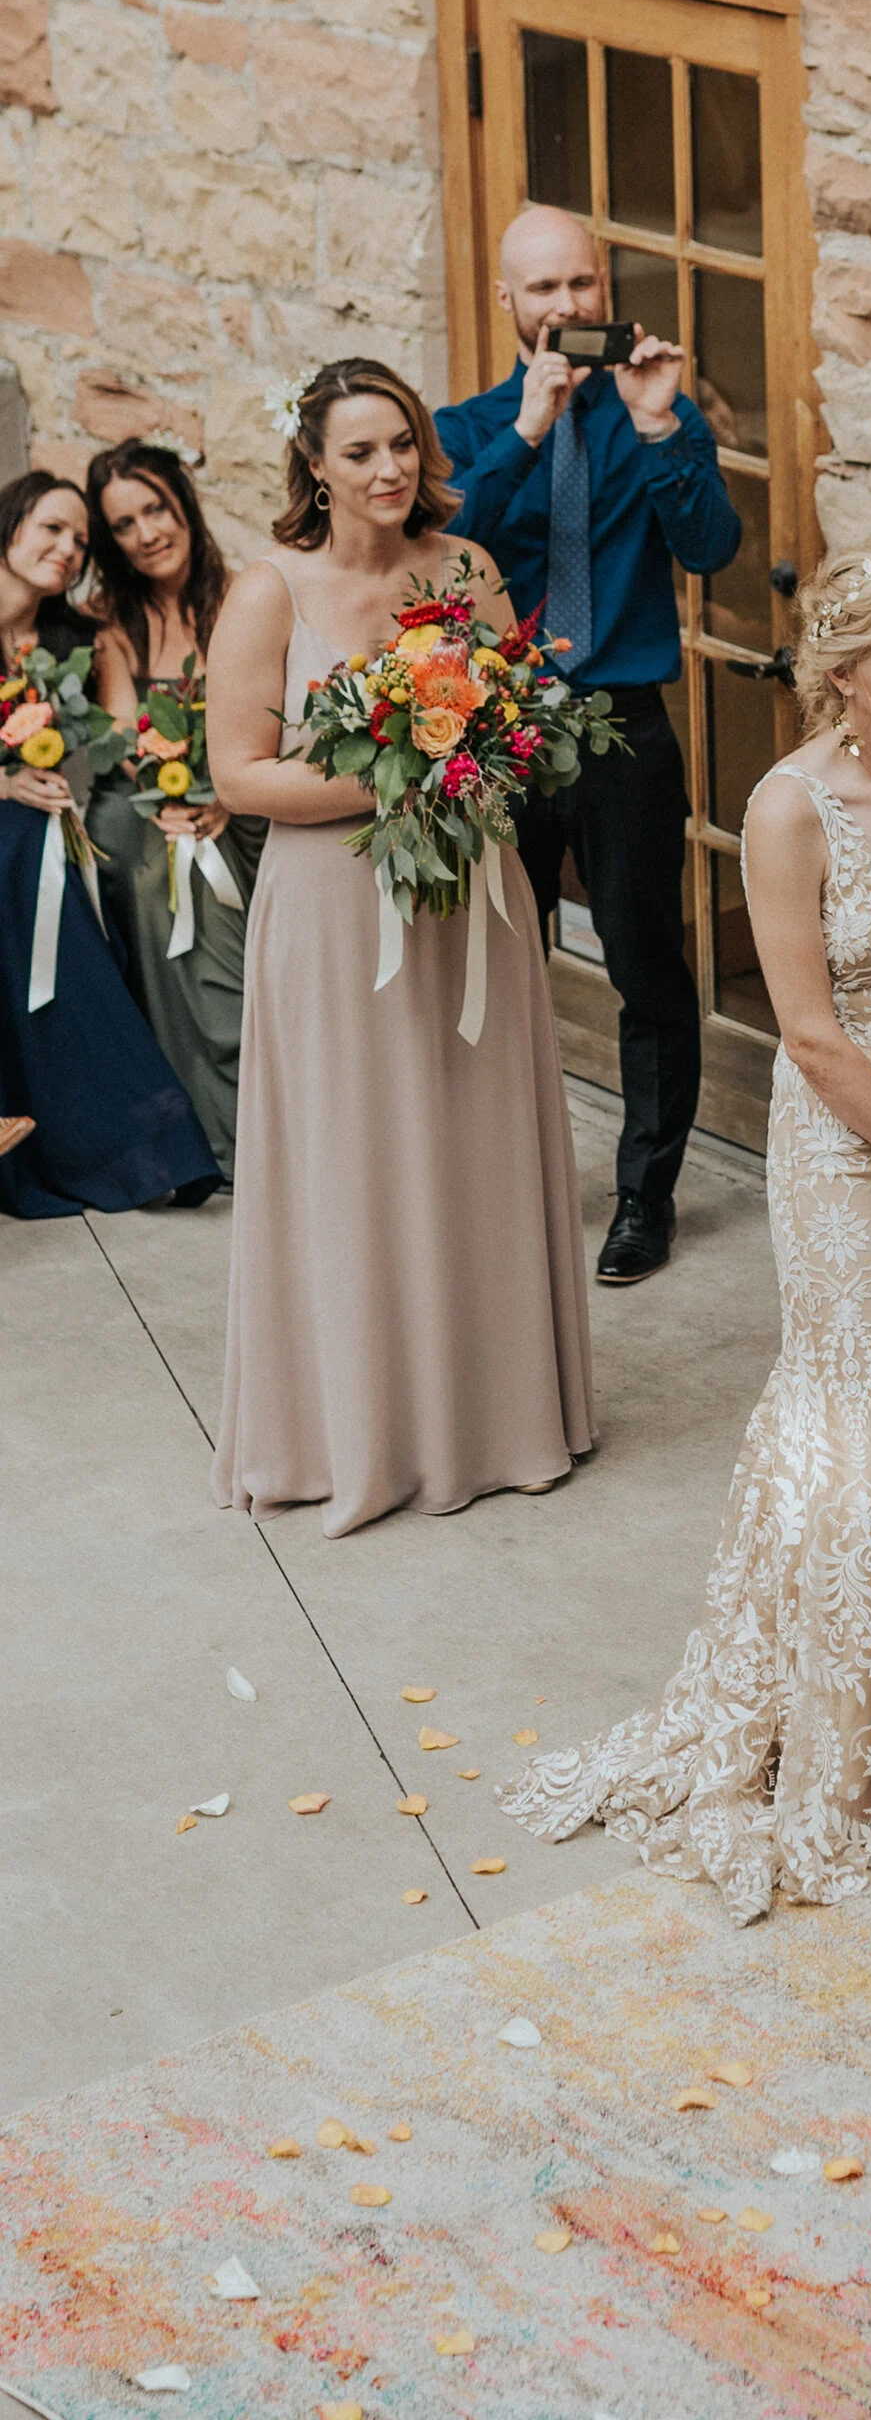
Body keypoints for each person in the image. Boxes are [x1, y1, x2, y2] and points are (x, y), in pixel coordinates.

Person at [506, 545, 871, 1916]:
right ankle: (854, 1742)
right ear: (842, 673)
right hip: (850, 1155)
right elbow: (805, 1026)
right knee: (858, 1426)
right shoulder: (789, 807)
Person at [207, 359, 594, 1537]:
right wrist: (392, 772)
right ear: (314, 465)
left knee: (468, 1143)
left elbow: (508, 714)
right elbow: (238, 775)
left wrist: (487, 742)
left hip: (470, 893)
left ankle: (493, 1419)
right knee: (354, 1152)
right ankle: (355, 1430)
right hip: (333, 912)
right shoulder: (270, 593)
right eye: (360, 451)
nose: (387, 471)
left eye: (402, 446)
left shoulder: (464, 569)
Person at [435, 207, 740, 1288]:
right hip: (500, 733)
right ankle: (503, 1184)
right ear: (508, 302)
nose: (566, 307)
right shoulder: (465, 424)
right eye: (544, 289)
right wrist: (524, 430)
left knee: (647, 967)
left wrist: (661, 429)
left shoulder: (657, 409)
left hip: (623, 725)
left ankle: (642, 1202)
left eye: (581, 284)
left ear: (603, 289)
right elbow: (446, 546)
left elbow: (711, 546)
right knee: (487, 969)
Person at [0, 468, 217, 1219]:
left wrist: (189, 781)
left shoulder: (73, 640)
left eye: (80, 540)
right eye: (51, 528)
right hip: (11, 825)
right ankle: (148, 1133)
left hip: (33, 834)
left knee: (47, 845)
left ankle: (129, 1136)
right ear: (12, 523)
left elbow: (121, 733)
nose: (67, 548)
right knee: (28, 839)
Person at [85, 441, 260, 1180]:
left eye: (155, 508)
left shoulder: (246, 595)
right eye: (123, 524)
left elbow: (277, 713)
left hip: (244, 795)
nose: (147, 532)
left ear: (183, 502)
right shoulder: (114, 622)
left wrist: (225, 788)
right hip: (160, 802)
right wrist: (178, 789)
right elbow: (125, 733)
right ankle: (216, 1129)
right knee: (166, 872)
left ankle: (266, 1106)